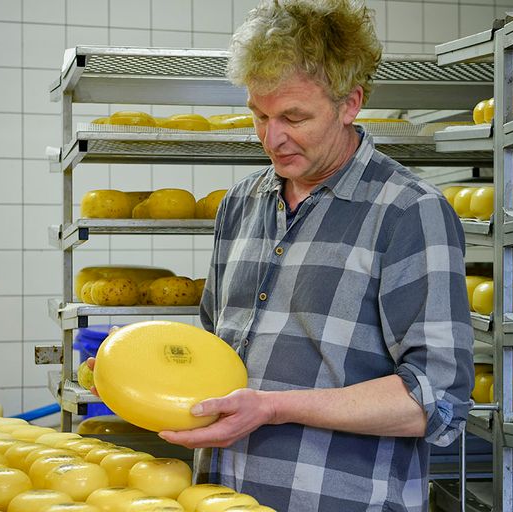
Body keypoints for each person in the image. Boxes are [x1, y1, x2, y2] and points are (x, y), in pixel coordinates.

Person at [100, 1, 473, 510]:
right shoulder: (242, 203)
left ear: (350, 103)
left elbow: (436, 399)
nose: (272, 138)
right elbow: (213, 349)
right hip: (220, 497)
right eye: (260, 115)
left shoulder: (409, 212)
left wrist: (274, 407)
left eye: (294, 117)